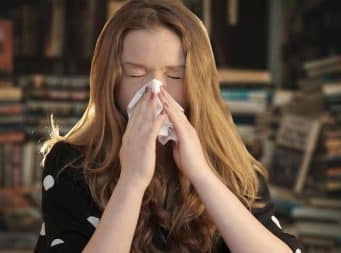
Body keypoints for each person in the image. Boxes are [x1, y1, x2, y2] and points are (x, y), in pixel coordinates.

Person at [34, 0, 304, 252]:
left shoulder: (231, 163)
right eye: (136, 73)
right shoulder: (68, 165)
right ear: (110, 81)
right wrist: (132, 181)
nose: (156, 90)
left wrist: (202, 175)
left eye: (175, 75)